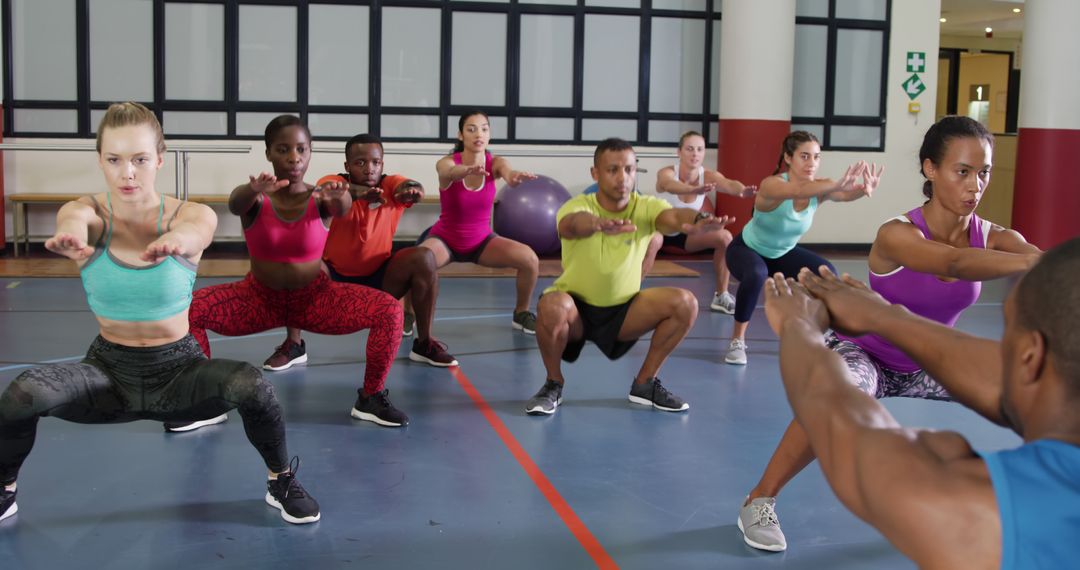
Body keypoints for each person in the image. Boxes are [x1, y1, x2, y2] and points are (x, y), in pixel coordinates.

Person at [0, 102, 319, 525]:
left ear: (160, 160)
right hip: (108, 374)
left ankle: (280, 479)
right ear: (100, 161)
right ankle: (5, 487)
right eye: (114, 160)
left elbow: (197, 230)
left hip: (180, 373)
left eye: (139, 160)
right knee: (24, 392)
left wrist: (176, 242)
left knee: (252, 385)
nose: (127, 172)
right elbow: (76, 219)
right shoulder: (87, 212)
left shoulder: (189, 214)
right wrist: (71, 237)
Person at [737, 116, 1043, 552]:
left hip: (930, 361)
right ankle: (759, 498)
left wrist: (1051, 260)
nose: (975, 185)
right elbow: (953, 264)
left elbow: (1043, 260)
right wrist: (1036, 262)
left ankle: (1041, 492)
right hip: (868, 355)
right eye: (962, 171)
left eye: (984, 172)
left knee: (1032, 393)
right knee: (833, 393)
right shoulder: (897, 233)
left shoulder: (996, 237)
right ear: (930, 169)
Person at [760, 239, 1080, 569]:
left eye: (1007, 334)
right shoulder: (900, 231)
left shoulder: (986, 509)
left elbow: (839, 421)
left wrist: (797, 324)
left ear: (1030, 355)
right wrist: (883, 316)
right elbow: (1005, 382)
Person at [185, 116, 409, 428]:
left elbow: (343, 207)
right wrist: (252, 188)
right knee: (190, 310)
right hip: (259, 301)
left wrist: (339, 195)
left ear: (310, 152)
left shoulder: (320, 198)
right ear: (269, 154)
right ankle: (203, 401)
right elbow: (236, 203)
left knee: (389, 312)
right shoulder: (256, 197)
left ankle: (370, 398)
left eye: (301, 149)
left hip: (315, 300)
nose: (293, 157)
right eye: (283, 149)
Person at [525, 138, 732, 415]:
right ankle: (553, 383)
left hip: (625, 312)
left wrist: (696, 219)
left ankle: (645, 383)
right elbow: (571, 224)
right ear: (595, 173)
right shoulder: (578, 205)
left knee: (685, 302)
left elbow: (671, 216)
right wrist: (597, 225)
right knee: (551, 304)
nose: (623, 178)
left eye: (629, 169)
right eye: (613, 170)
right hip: (576, 314)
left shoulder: (645, 206)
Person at [272, 134, 457, 369]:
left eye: (375, 163)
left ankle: (425, 343)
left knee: (423, 257)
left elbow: (410, 185)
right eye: (360, 163)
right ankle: (294, 344)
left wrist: (411, 190)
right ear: (347, 166)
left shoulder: (389, 185)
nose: (369, 169)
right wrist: (358, 193)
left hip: (381, 280)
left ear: (382, 164)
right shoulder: (335, 181)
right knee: (296, 259)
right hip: (333, 278)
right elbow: (325, 190)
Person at [723, 131, 882, 365]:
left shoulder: (819, 189)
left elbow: (843, 195)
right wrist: (835, 184)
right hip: (746, 251)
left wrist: (863, 190)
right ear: (788, 158)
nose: (811, 163)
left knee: (825, 272)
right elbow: (797, 191)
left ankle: (821, 334)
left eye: (816, 157)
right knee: (757, 274)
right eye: (805, 156)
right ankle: (737, 340)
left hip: (782, 254)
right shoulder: (772, 185)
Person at [417, 111, 540, 334]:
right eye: (471, 129)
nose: (478, 134)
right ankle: (407, 314)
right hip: (445, 240)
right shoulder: (446, 162)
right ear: (460, 135)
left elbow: (507, 172)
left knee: (529, 259)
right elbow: (450, 172)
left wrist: (513, 178)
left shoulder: (496, 163)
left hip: (483, 242)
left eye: (484, 128)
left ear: (489, 134)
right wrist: (466, 170)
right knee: (416, 262)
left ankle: (521, 313)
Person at [655, 130, 756, 314]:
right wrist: (694, 188)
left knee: (725, 236)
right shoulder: (667, 172)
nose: (695, 154)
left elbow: (729, 183)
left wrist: (742, 191)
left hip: (687, 235)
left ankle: (721, 296)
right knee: (651, 240)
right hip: (660, 231)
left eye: (700, 149)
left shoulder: (708, 175)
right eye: (690, 149)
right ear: (679, 152)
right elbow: (669, 185)